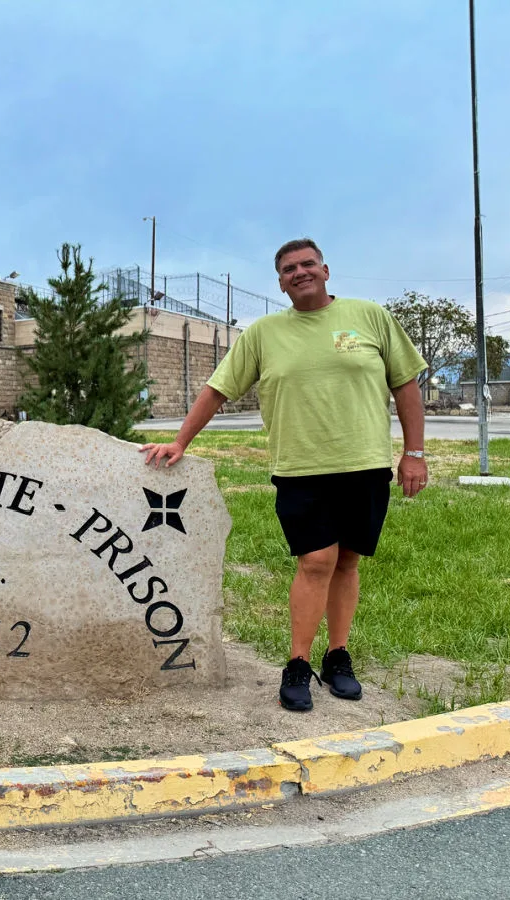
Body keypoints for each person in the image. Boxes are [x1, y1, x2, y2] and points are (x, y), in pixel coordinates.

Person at [141, 239, 428, 712]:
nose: (299, 272)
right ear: (280, 281)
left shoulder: (371, 317)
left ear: (326, 270)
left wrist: (413, 452)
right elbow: (218, 389)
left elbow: (406, 383)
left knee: (348, 560)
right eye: (289, 268)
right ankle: (298, 662)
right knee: (316, 560)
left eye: (307, 264)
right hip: (300, 469)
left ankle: (338, 656)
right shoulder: (264, 334)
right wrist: (180, 441)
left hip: (365, 465)